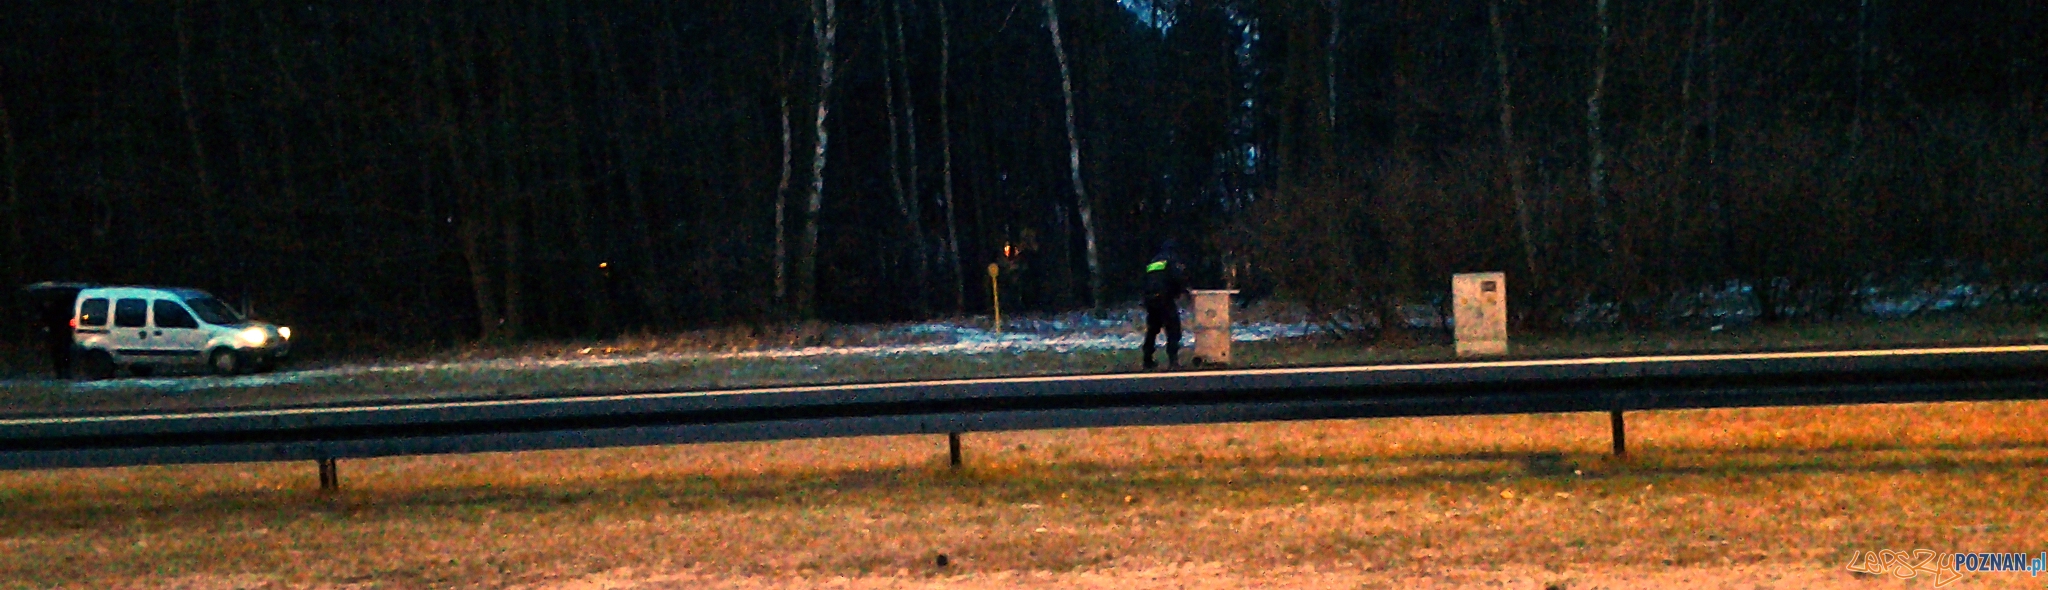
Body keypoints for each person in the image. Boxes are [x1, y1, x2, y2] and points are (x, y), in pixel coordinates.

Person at [1141, 240, 1190, 370]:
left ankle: (1147, 359)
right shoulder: (1172, 259)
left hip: (1150, 299)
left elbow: (1145, 280)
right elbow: (1177, 278)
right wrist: (1182, 291)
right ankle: (1173, 361)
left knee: (1152, 329)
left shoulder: (1153, 261)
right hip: (1164, 298)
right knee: (1173, 328)